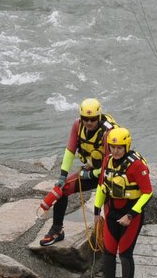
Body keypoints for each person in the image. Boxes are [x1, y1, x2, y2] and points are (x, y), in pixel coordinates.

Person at [38, 98, 116, 246]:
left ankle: (112, 235)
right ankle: (57, 230)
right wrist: (63, 175)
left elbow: (109, 164)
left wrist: (90, 175)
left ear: (99, 117)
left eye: (92, 119)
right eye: (85, 119)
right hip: (93, 170)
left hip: (110, 174)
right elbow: (70, 150)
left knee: (108, 203)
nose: (88, 122)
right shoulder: (77, 125)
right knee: (63, 189)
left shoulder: (108, 132)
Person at [91, 126, 153, 278]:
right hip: (111, 211)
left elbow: (148, 193)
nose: (116, 151)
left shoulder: (136, 166)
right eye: (112, 147)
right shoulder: (107, 161)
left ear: (126, 147)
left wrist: (131, 215)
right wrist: (97, 211)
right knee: (108, 252)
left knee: (125, 254)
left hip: (131, 213)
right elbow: (101, 187)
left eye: (119, 148)